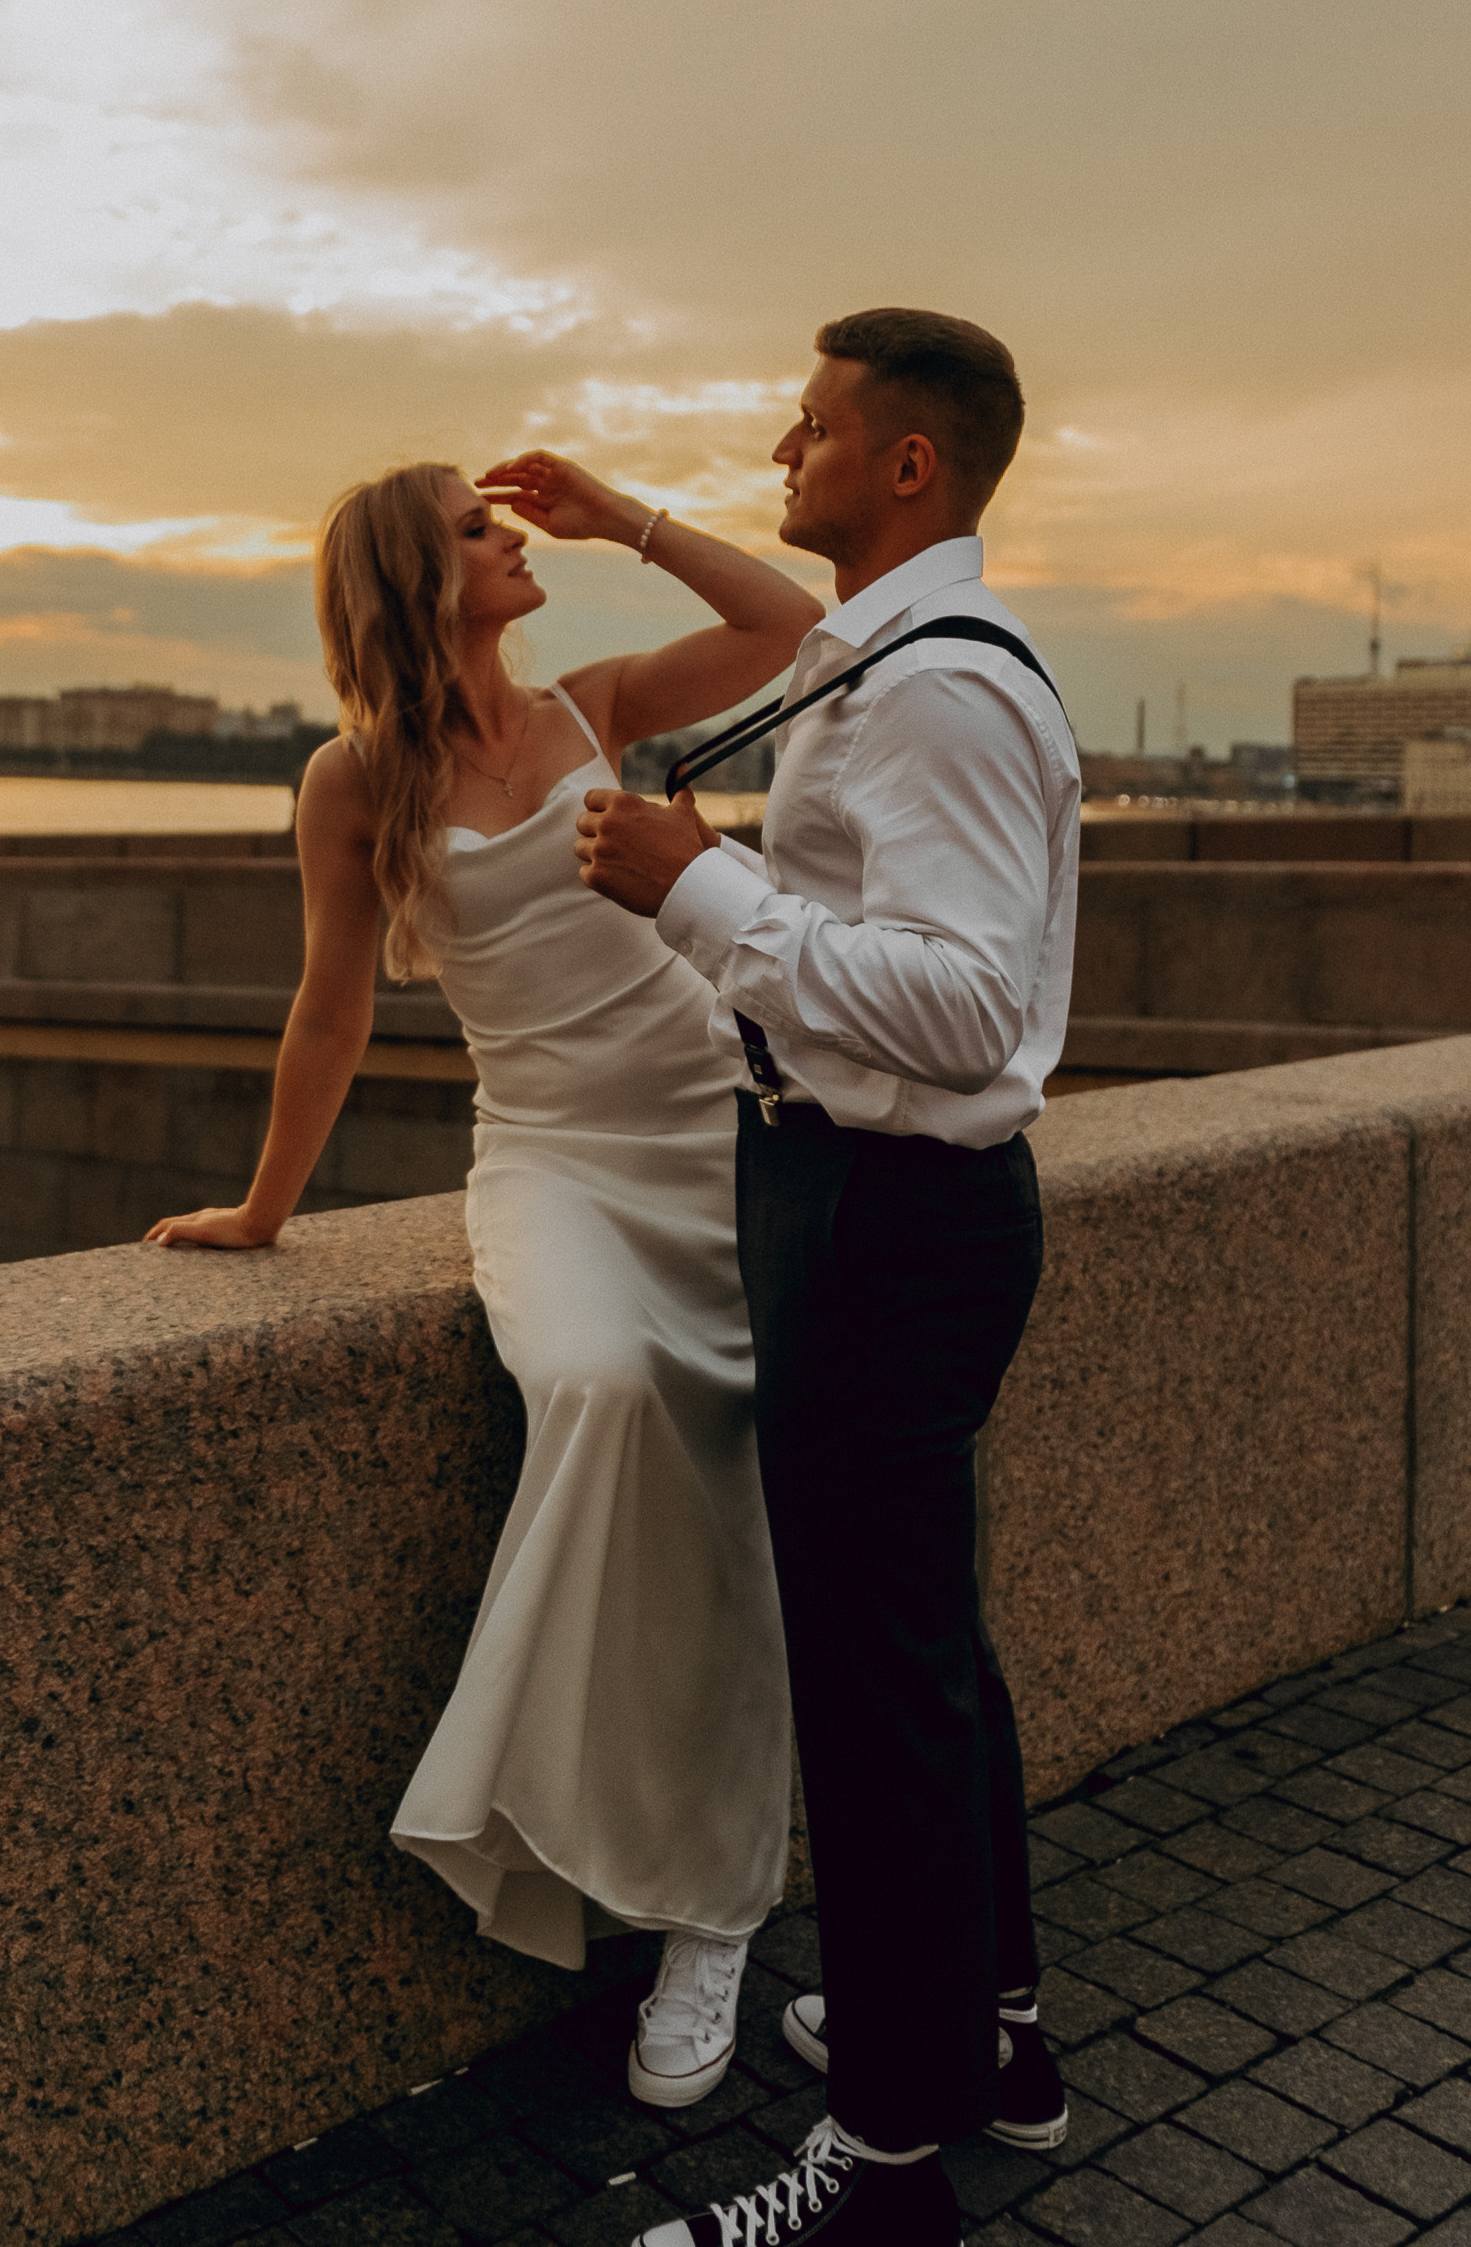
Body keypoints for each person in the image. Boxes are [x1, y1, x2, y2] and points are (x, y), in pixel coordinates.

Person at [146, 453, 822, 2106]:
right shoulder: (352, 783)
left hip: (712, 1134)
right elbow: (331, 1010)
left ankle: (709, 1909)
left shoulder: (598, 704)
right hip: (551, 1162)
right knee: (596, 1385)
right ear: (412, 576)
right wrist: (260, 1209)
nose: (516, 535)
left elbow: (794, 622)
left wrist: (628, 517)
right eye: (479, 526)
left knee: (736, 1484)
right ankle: (611, 1831)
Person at [575, 310, 1081, 2247]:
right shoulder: (881, 654)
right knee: (924, 1651)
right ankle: (989, 2041)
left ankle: (880, 2158)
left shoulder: (941, 693)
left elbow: (959, 1009)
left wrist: (692, 892)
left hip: (881, 1211)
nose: (781, 444)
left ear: (908, 471)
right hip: (882, 1207)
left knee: (874, 1695)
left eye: (814, 429)